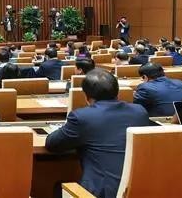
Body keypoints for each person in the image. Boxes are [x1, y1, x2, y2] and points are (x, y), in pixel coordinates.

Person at [45, 69, 151, 198]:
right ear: (117, 92)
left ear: (86, 96)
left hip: (100, 193)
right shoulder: (140, 112)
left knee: (58, 187)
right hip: (140, 190)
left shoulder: (82, 117)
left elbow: (52, 144)